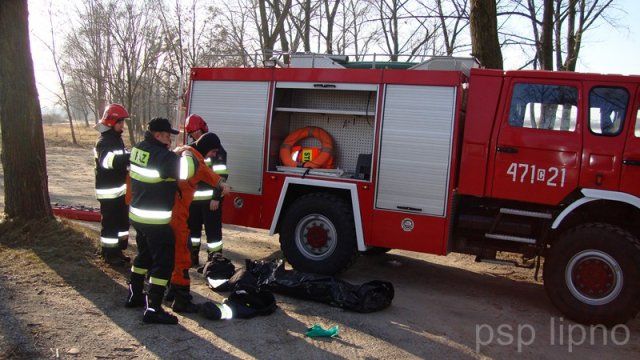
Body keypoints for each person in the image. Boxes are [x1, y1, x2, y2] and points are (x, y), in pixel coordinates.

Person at [125, 117, 195, 324]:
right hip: (155, 220)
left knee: (144, 255)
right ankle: (153, 308)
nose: (170, 139)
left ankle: (134, 295)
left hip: (137, 215)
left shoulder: (138, 148)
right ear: (157, 135)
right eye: (167, 135)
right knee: (163, 262)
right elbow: (187, 172)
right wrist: (189, 154)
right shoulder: (164, 157)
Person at [167, 133, 231, 313]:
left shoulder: (190, 154)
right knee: (182, 254)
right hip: (176, 211)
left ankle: (171, 290)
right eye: (212, 151)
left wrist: (220, 185)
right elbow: (197, 171)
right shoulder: (189, 157)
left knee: (174, 252)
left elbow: (208, 173)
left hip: (177, 209)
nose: (213, 155)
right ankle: (181, 299)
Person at [184, 114, 229, 266]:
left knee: (213, 233)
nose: (192, 136)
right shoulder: (191, 149)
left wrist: (216, 197)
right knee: (193, 231)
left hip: (211, 201)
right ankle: (192, 256)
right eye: (190, 133)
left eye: (194, 132)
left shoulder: (216, 150)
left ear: (202, 128)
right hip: (194, 200)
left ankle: (215, 261)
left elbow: (221, 176)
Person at [94, 103, 131, 265]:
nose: (122, 125)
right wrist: (130, 157)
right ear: (111, 122)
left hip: (119, 191)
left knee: (122, 222)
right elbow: (107, 162)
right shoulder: (104, 141)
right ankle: (109, 254)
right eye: (120, 122)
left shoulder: (116, 139)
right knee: (110, 224)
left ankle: (118, 250)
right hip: (108, 192)